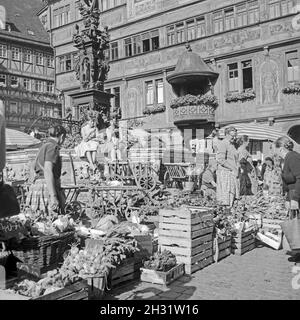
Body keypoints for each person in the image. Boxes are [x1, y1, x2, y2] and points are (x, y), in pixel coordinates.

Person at [26, 125, 67, 216]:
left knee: (39, 222)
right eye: (64, 139)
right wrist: (53, 196)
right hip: (47, 187)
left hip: (38, 186)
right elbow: (48, 170)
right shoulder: (53, 147)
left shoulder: (43, 146)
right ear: (62, 136)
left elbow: (33, 165)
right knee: (52, 222)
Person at [216, 126, 240, 206]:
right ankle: (226, 214)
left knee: (232, 196)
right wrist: (233, 168)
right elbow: (220, 159)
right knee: (227, 196)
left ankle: (230, 214)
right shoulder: (223, 143)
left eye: (235, 136)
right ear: (226, 134)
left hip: (232, 173)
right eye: (232, 136)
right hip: (225, 173)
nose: (234, 138)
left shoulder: (232, 145)